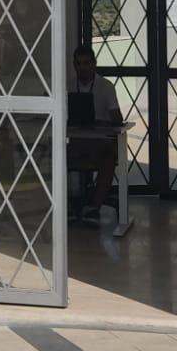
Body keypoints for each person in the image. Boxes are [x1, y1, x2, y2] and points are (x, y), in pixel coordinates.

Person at [68, 44, 123, 223]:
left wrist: (104, 121)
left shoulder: (106, 86)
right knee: (56, 156)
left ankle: (94, 208)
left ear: (94, 64)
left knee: (109, 158)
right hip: (76, 143)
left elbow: (117, 119)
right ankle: (66, 207)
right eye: (78, 64)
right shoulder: (67, 86)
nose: (82, 67)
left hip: (100, 143)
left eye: (86, 63)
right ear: (74, 65)